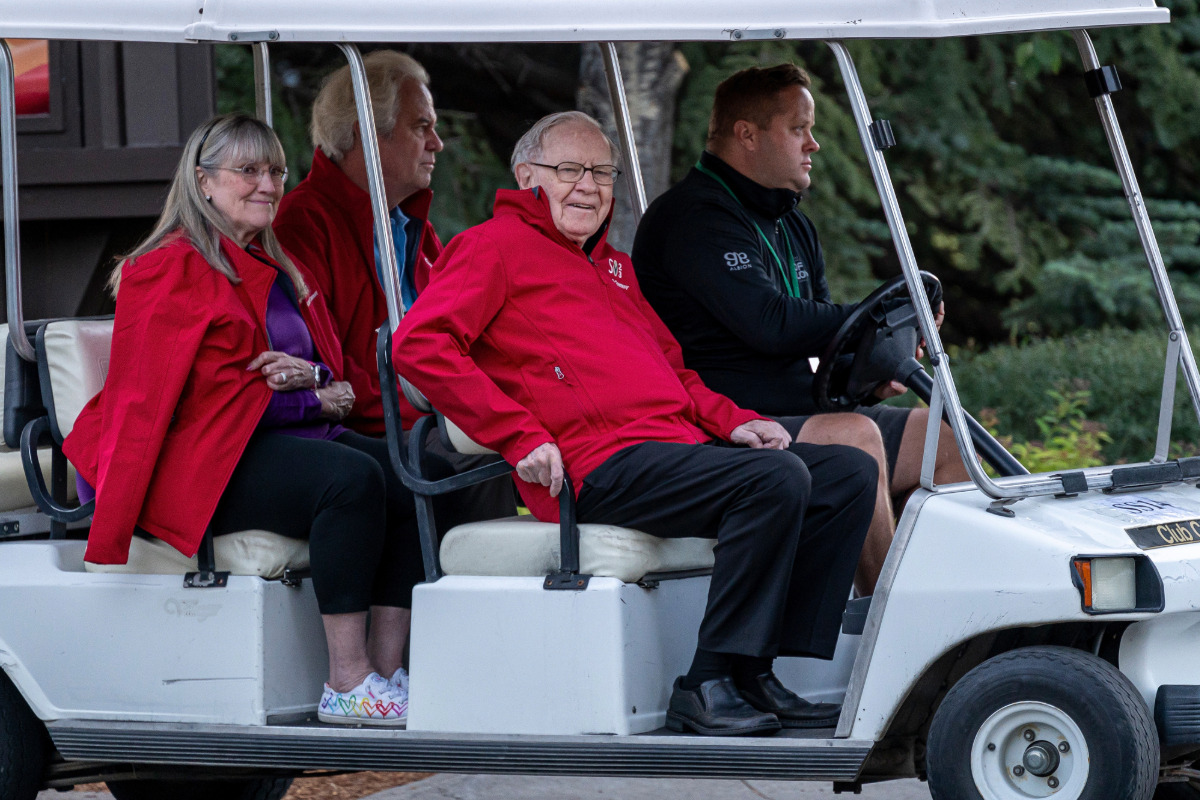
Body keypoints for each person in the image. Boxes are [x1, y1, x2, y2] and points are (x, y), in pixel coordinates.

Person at [394, 111, 877, 736]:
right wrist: (519, 435)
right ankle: (704, 683)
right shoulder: (491, 248)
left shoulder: (613, 269)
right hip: (591, 466)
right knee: (772, 479)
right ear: (526, 176)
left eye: (601, 172)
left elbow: (676, 373)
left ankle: (755, 669)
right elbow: (420, 344)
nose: (588, 186)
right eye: (569, 170)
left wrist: (736, 422)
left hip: (669, 451)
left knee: (846, 472)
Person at [64, 113, 437, 727]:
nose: (268, 184)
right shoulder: (170, 268)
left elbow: (318, 367)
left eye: (275, 171)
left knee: (411, 473)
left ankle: (385, 673)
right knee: (349, 481)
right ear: (204, 182)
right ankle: (346, 681)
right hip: (194, 462)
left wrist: (316, 383)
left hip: (267, 440)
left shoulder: (272, 265)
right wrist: (312, 397)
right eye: (248, 171)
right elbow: (178, 398)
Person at [631, 64, 970, 596]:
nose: (813, 144)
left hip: (798, 413)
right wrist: (877, 315)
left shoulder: (791, 222)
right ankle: (897, 627)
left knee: (945, 437)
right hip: (722, 424)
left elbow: (825, 336)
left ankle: (956, 606)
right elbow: (769, 325)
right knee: (854, 438)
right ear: (747, 134)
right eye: (798, 129)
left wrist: (869, 370)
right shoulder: (692, 218)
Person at [274, 50, 515, 524]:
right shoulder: (302, 225)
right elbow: (327, 366)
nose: (438, 144)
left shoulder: (413, 227)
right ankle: (476, 594)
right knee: (485, 463)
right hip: (367, 428)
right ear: (367, 131)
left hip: (424, 418)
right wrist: (449, 416)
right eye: (421, 126)